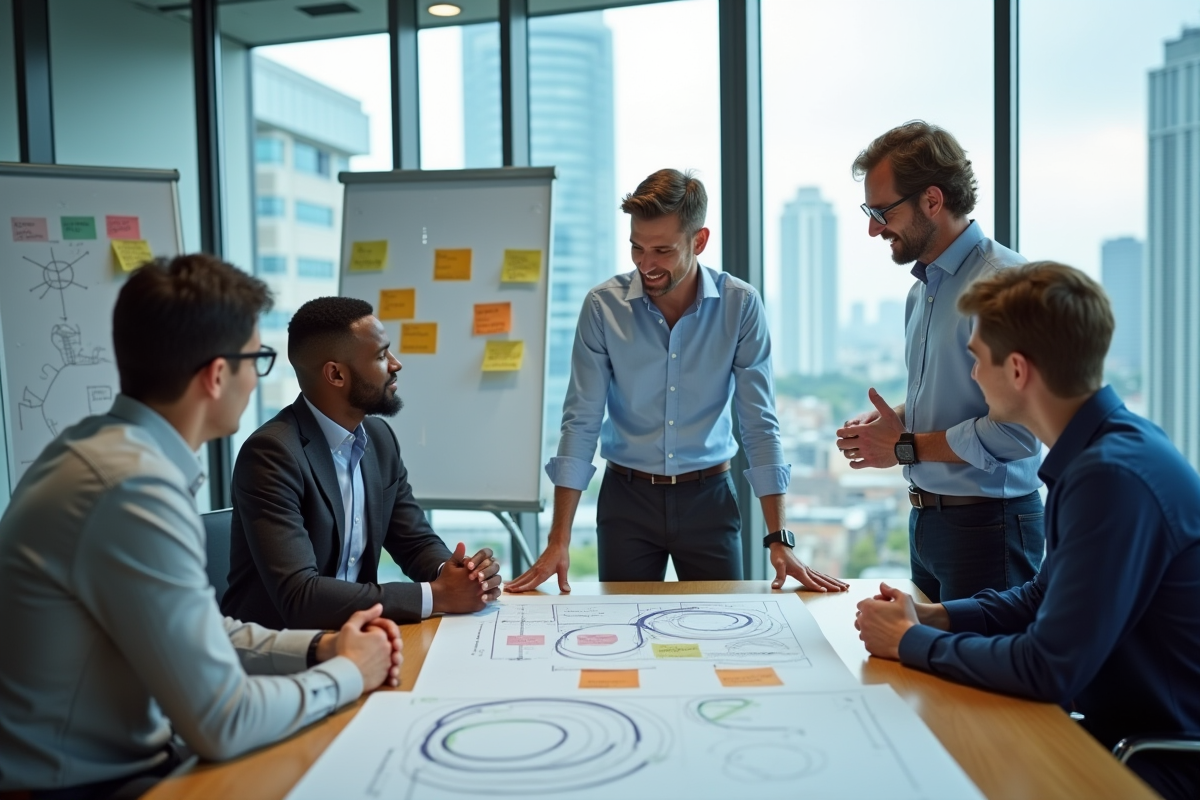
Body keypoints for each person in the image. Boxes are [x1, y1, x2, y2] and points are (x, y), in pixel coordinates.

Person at [0, 255, 402, 799]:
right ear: (216, 375)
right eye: (255, 359)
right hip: (87, 787)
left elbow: (207, 633)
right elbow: (223, 721)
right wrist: (350, 673)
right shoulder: (130, 488)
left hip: (122, 763)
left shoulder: (104, 454)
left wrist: (321, 649)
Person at [855, 262, 1200, 800]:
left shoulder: (1110, 476)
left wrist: (910, 642)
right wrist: (934, 616)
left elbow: (1048, 668)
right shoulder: (1104, 450)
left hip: (1152, 762)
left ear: (1017, 371)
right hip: (1121, 734)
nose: (972, 376)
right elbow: (1044, 596)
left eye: (976, 359)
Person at [508, 168, 845, 593]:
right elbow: (581, 423)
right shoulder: (602, 307)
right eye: (636, 247)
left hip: (710, 501)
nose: (646, 264)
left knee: (722, 632)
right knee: (625, 638)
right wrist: (558, 539)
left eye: (662, 251)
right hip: (626, 501)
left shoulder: (740, 306)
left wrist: (779, 538)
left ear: (698, 241)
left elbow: (759, 423)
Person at [836, 121, 1044, 602]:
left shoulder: (1003, 285)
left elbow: (1017, 434)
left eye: (881, 211)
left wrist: (903, 447)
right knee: (926, 672)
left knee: (980, 674)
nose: (872, 228)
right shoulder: (922, 292)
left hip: (990, 525)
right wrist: (892, 423)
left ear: (932, 200)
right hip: (929, 523)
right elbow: (950, 402)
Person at [222, 297, 501, 630]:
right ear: (336, 374)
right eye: (381, 355)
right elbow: (300, 596)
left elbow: (414, 541)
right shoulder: (272, 454)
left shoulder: (379, 439)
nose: (396, 364)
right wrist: (436, 596)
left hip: (355, 636)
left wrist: (456, 575)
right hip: (283, 653)